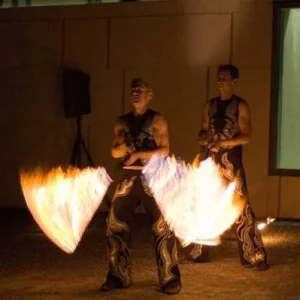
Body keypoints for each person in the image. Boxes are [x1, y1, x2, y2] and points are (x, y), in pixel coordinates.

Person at [100, 78, 181, 294]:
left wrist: (138, 154)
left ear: (149, 94)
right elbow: (115, 151)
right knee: (114, 224)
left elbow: (164, 150)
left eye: (140, 90)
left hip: (153, 178)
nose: (135, 93)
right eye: (132, 90)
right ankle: (118, 276)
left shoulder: (157, 119)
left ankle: (170, 278)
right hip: (128, 178)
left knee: (162, 226)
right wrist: (122, 149)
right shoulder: (121, 121)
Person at [191, 64, 269, 271]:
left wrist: (224, 143)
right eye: (218, 78)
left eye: (224, 78)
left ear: (234, 81)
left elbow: (246, 136)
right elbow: (203, 129)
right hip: (211, 161)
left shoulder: (240, 105)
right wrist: (204, 139)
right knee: (205, 204)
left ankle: (254, 253)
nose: (220, 81)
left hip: (231, 162)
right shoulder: (210, 105)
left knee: (241, 208)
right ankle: (200, 251)